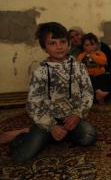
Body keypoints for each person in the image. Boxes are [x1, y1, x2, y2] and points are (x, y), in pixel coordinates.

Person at [6, 22, 96, 163]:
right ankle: (24, 134)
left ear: (69, 44)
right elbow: (33, 105)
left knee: (89, 137)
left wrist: (77, 114)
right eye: (52, 43)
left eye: (62, 42)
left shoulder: (79, 67)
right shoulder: (40, 72)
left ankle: (55, 135)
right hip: (47, 120)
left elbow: (88, 93)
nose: (59, 46)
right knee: (22, 156)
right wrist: (51, 126)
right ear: (44, 48)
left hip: (70, 118)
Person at [68, 27, 111, 103]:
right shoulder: (73, 52)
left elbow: (110, 59)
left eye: (77, 35)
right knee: (87, 79)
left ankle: (101, 95)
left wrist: (109, 72)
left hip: (101, 76)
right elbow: (75, 66)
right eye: (72, 37)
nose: (75, 38)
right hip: (87, 80)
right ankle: (99, 96)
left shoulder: (100, 48)